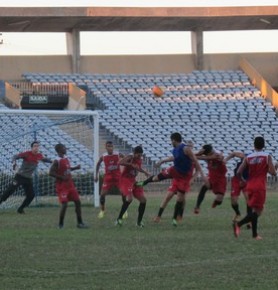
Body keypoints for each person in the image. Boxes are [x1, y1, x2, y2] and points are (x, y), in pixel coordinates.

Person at [136, 133, 208, 226]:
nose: (171, 142)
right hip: (174, 171)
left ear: (174, 140)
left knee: (180, 198)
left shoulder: (186, 149)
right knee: (157, 178)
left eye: (171, 140)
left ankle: (175, 218)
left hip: (184, 177)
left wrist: (202, 175)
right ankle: (143, 183)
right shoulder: (175, 149)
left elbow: (196, 161)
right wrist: (163, 161)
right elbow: (174, 157)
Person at [233, 136, 277, 240]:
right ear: (264, 145)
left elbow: (238, 172)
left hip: (250, 185)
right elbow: (273, 173)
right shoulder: (267, 156)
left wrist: (243, 181)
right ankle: (238, 224)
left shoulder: (248, 157)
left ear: (254, 145)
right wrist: (276, 166)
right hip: (260, 186)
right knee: (259, 211)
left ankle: (254, 235)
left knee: (254, 210)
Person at [0, 141, 52, 214]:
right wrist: (14, 162)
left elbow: (44, 159)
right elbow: (15, 156)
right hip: (19, 177)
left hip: (28, 179)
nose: (36, 147)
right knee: (10, 190)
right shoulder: (27, 154)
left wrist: (52, 161)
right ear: (32, 148)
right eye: (35, 146)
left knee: (31, 195)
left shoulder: (39, 155)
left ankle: (20, 209)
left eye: (37, 146)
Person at [153, 140, 197, 223]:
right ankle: (158, 216)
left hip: (185, 181)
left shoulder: (193, 158)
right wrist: (163, 161)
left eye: (191, 146)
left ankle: (179, 215)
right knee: (168, 196)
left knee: (182, 199)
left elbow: (197, 170)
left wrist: (193, 179)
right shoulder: (182, 154)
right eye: (188, 146)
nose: (189, 148)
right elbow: (172, 159)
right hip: (177, 180)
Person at [49, 143, 87, 229]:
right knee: (64, 204)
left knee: (77, 202)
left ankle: (80, 223)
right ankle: (60, 224)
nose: (66, 149)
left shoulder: (65, 158)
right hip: (62, 187)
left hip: (70, 185)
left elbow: (67, 169)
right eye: (64, 147)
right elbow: (50, 172)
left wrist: (75, 168)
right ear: (59, 150)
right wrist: (62, 177)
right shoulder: (56, 161)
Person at [115, 145, 151, 227]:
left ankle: (138, 223)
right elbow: (119, 162)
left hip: (133, 180)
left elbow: (138, 168)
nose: (140, 157)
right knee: (129, 198)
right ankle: (119, 219)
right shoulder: (130, 157)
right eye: (138, 155)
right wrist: (130, 164)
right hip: (125, 179)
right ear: (134, 153)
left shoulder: (139, 159)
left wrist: (145, 172)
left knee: (143, 200)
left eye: (141, 155)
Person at [94, 141, 125, 219]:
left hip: (118, 178)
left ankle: (124, 211)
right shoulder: (103, 156)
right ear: (106, 147)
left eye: (111, 146)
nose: (110, 148)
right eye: (108, 146)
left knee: (123, 193)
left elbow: (126, 159)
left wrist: (125, 169)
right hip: (108, 178)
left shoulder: (117, 154)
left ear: (113, 147)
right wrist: (96, 175)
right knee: (102, 195)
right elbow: (98, 164)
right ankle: (102, 211)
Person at [194, 144, 227, 214]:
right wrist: (197, 154)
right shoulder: (207, 154)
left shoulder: (217, 154)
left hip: (220, 178)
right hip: (212, 175)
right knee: (204, 187)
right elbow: (197, 156)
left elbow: (210, 157)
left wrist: (196, 156)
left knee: (219, 200)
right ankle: (197, 206)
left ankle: (216, 202)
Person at [224, 151, 250, 223]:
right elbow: (234, 154)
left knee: (248, 199)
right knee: (234, 200)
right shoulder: (244, 157)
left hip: (247, 181)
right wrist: (225, 160)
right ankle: (238, 214)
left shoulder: (253, 162)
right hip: (236, 179)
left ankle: (249, 218)